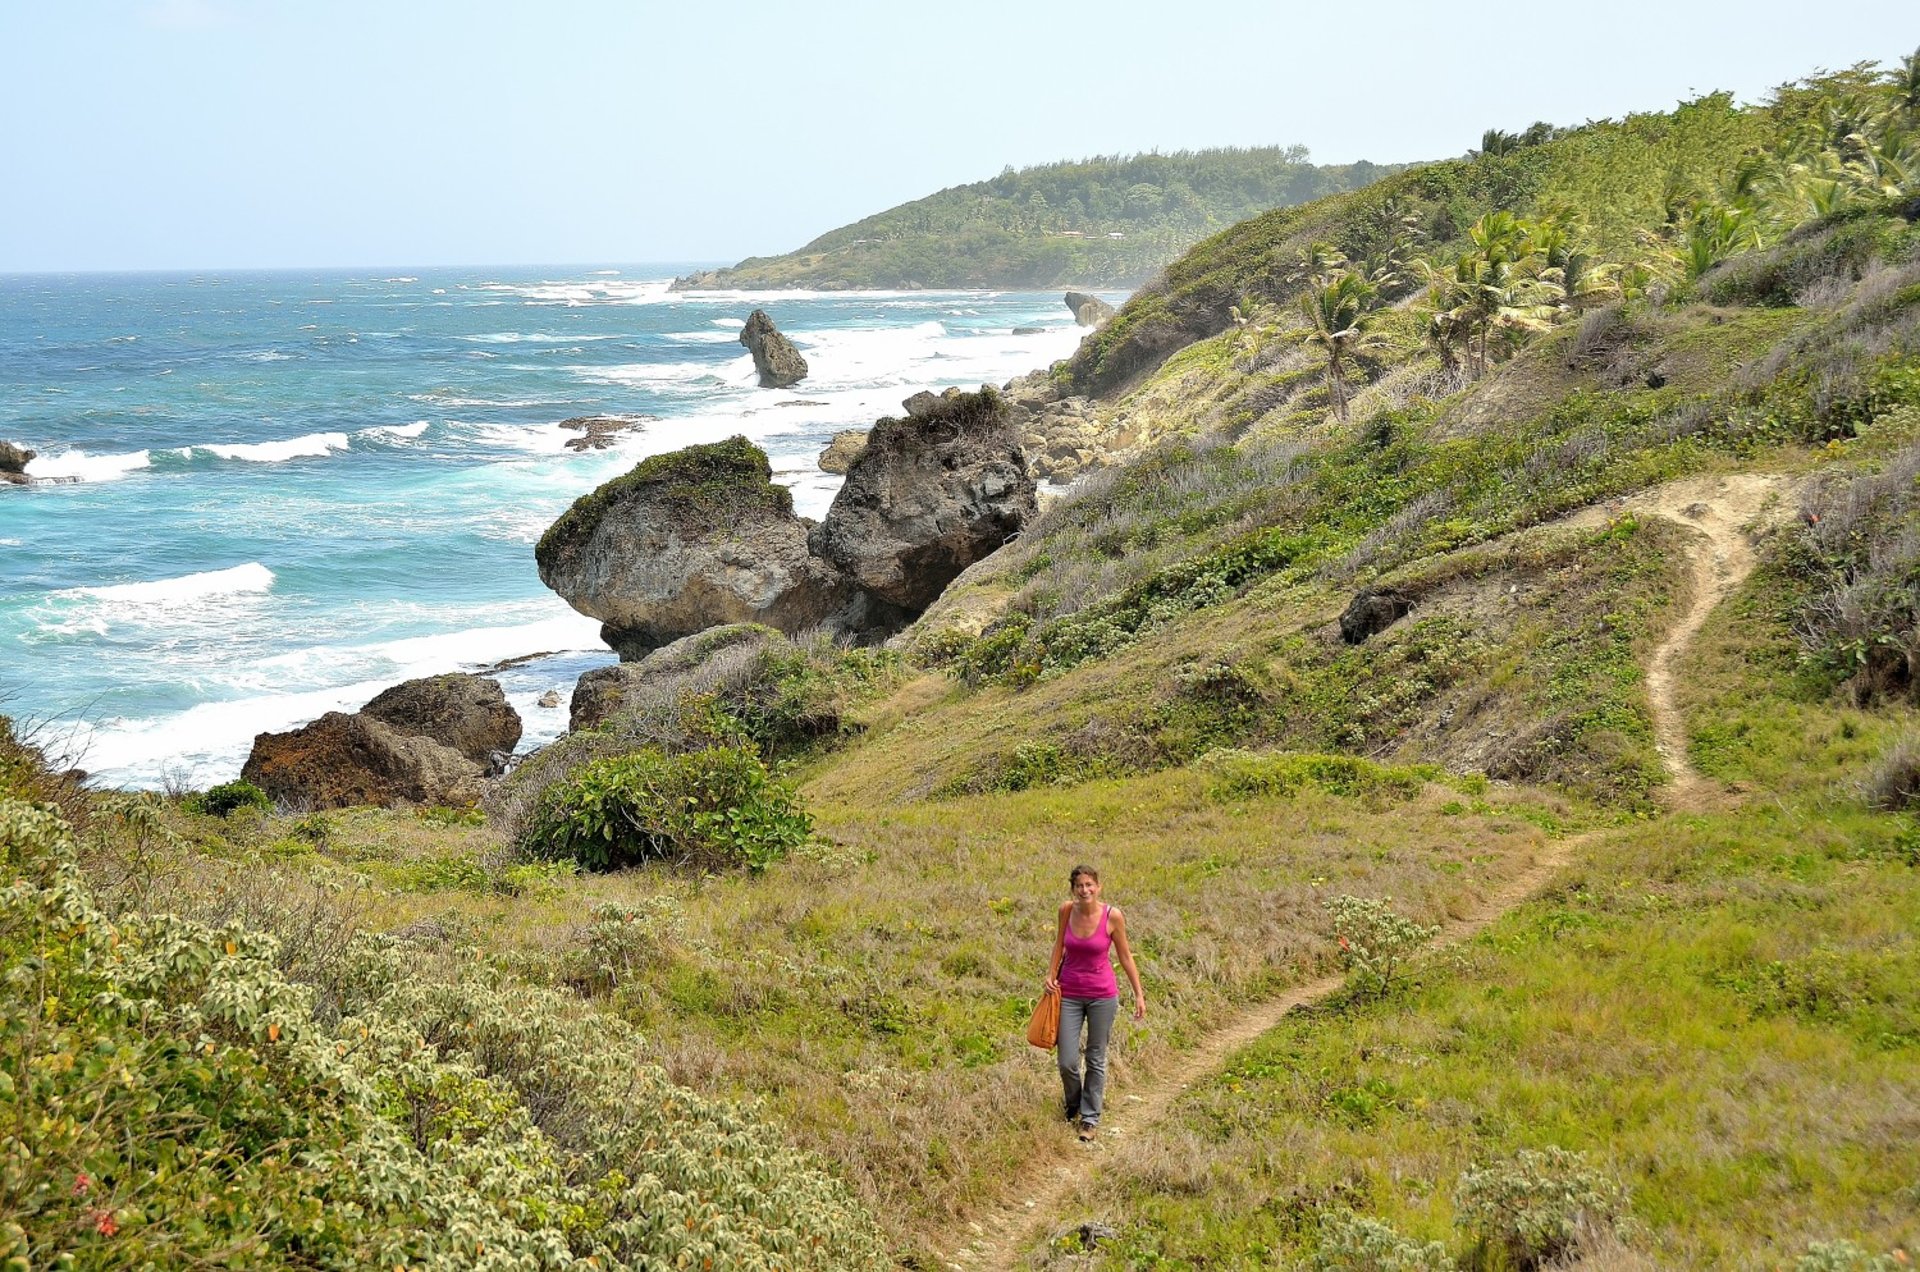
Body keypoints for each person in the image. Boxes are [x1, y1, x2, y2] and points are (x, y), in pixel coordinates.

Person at [1042, 863, 1145, 1142]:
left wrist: (1138, 993)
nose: (1084, 890)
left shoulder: (1113, 916)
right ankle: (1073, 1103)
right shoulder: (1066, 910)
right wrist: (1051, 974)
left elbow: (1125, 956)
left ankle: (1089, 1118)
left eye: (1089, 885)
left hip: (1103, 996)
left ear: (1098, 887)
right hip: (1069, 995)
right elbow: (1058, 945)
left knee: (1096, 1057)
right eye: (1079, 886)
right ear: (1073, 889)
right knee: (1067, 1061)